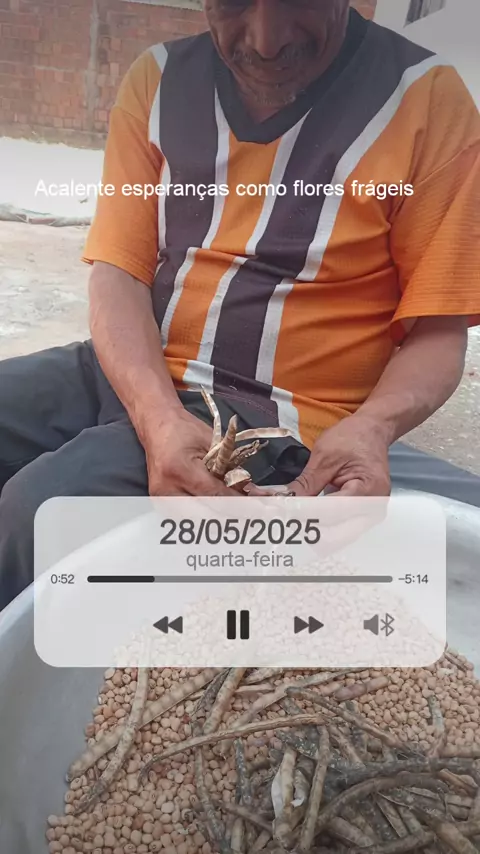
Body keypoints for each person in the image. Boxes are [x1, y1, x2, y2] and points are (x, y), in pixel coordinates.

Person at [0, 0, 479, 611]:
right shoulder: (158, 80)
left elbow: (438, 330)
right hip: (131, 364)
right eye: (232, 3)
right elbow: (119, 275)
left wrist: (374, 427)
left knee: (45, 507)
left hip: (276, 412)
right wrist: (156, 416)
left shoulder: (427, 100)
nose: (266, 40)